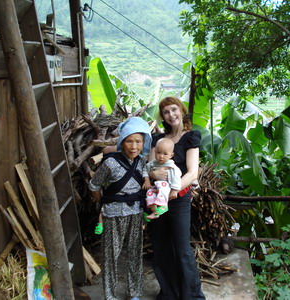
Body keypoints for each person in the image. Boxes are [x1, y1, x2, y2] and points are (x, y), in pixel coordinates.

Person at [88, 117, 152, 300]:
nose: (134, 146)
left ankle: (135, 293)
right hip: (113, 214)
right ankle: (110, 295)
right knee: (110, 256)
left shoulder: (140, 161)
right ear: (122, 142)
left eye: (138, 141)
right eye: (129, 141)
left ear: (144, 143)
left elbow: (145, 175)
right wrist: (103, 201)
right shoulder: (109, 163)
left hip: (135, 213)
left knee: (135, 253)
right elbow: (94, 185)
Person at [149, 96, 206, 300]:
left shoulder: (191, 138)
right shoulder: (158, 140)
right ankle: (169, 293)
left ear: (181, 111)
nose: (171, 115)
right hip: (156, 200)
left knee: (182, 249)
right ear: (162, 116)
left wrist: (173, 190)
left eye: (174, 110)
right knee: (161, 246)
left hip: (178, 199)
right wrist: (153, 176)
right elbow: (150, 169)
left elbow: (192, 173)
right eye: (166, 112)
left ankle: (192, 296)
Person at [142, 138, 182, 221]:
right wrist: (147, 179)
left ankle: (163, 206)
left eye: (165, 154)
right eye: (158, 152)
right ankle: (155, 212)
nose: (161, 156)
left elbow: (177, 178)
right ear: (155, 152)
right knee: (149, 192)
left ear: (171, 155)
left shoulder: (172, 166)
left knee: (162, 185)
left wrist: (175, 190)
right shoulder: (152, 163)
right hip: (155, 187)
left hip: (166, 187)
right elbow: (145, 169)